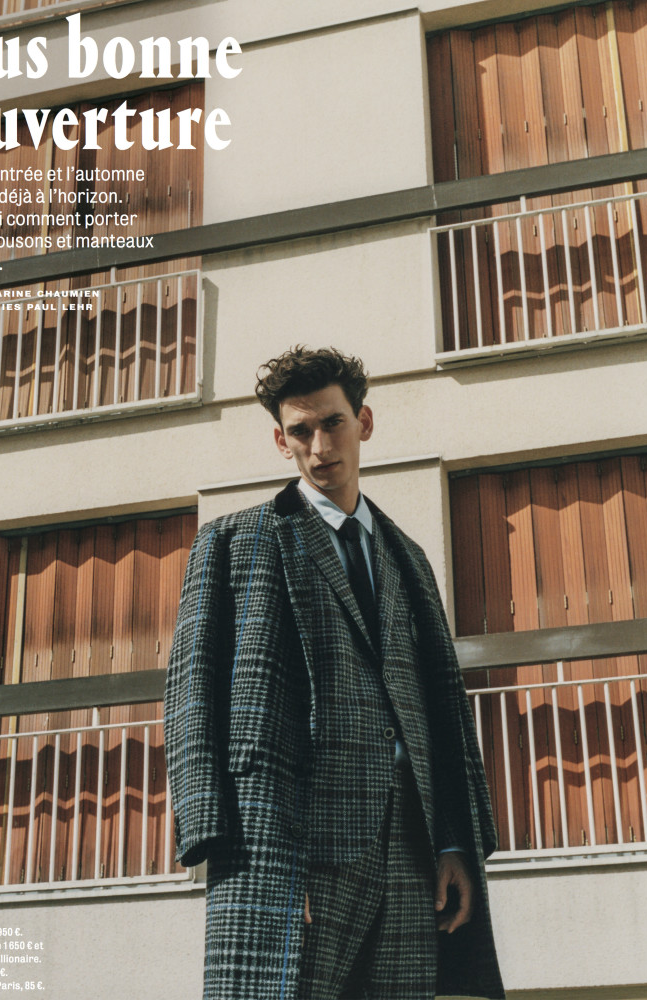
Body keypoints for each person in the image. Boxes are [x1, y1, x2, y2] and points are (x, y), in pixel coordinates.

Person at [164, 346, 504, 1000]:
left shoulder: (407, 557)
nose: (320, 447)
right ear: (281, 441)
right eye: (301, 431)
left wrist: (454, 844)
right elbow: (190, 693)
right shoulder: (236, 542)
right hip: (293, 846)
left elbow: (443, 709)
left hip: (410, 853)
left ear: (363, 422)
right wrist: (238, 851)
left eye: (333, 423)